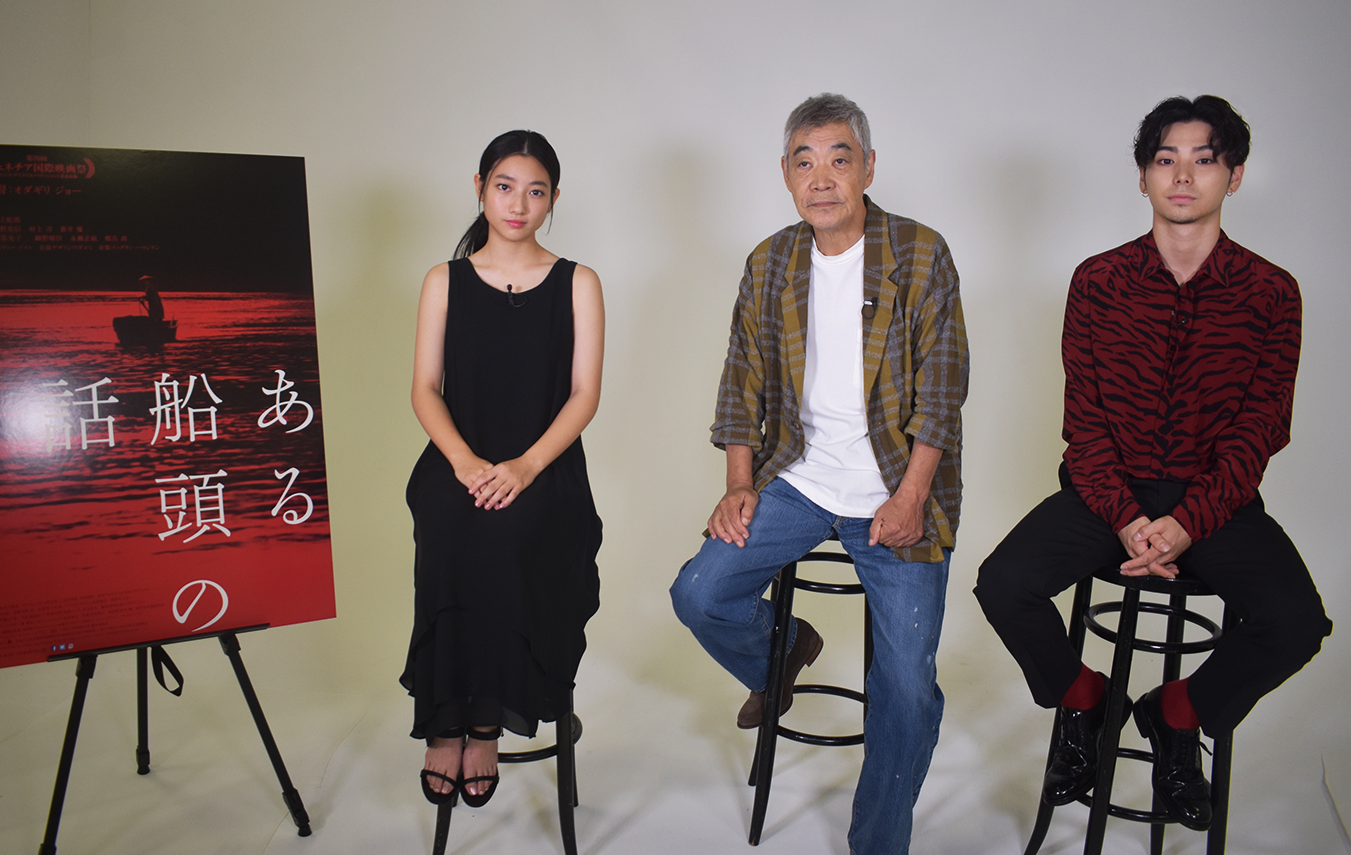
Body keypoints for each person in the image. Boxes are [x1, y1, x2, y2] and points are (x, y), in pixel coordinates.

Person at [975, 95, 1331, 831]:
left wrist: (1187, 522)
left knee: (1296, 622)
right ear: (1143, 177)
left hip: (1217, 501)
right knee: (1003, 583)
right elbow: (1084, 424)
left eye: (1204, 160)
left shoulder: (1271, 293)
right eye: (1166, 159)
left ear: (1233, 175)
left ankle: (1175, 714)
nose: (1183, 175)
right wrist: (1128, 518)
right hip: (1107, 494)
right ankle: (1086, 700)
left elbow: (1262, 428)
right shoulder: (1098, 281)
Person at [670, 93, 969, 854]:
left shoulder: (920, 253)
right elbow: (741, 381)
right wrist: (739, 484)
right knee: (700, 592)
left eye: (839, 159)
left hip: (897, 488)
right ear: (785, 174)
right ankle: (785, 646)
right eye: (805, 162)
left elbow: (942, 393)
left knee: (906, 689)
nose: (822, 178)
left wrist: (910, 498)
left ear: (867, 168)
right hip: (799, 478)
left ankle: (877, 845)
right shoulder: (770, 261)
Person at [401, 130, 604, 809]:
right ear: (481, 188)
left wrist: (524, 466)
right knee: (451, 534)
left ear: (553, 199)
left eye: (535, 191)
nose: (519, 204)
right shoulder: (444, 280)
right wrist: (464, 462)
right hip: (458, 459)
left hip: (545, 466)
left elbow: (584, 395)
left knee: (513, 539)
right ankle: (444, 719)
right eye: (505, 187)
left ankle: (485, 721)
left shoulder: (578, 281)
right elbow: (424, 388)